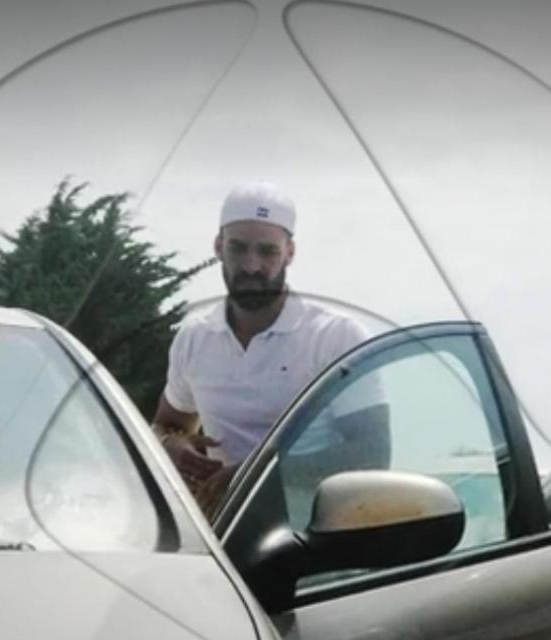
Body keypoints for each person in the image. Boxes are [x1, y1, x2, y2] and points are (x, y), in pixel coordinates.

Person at [152, 182, 386, 517]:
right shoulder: (194, 338)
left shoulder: (337, 335)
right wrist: (169, 445)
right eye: (238, 248)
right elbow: (169, 422)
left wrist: (254, 478)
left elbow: (372, 453)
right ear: (218, 247)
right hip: (225, 541)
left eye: (267, 251)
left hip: (321, 544)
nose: (251, 266)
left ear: (290, 252)